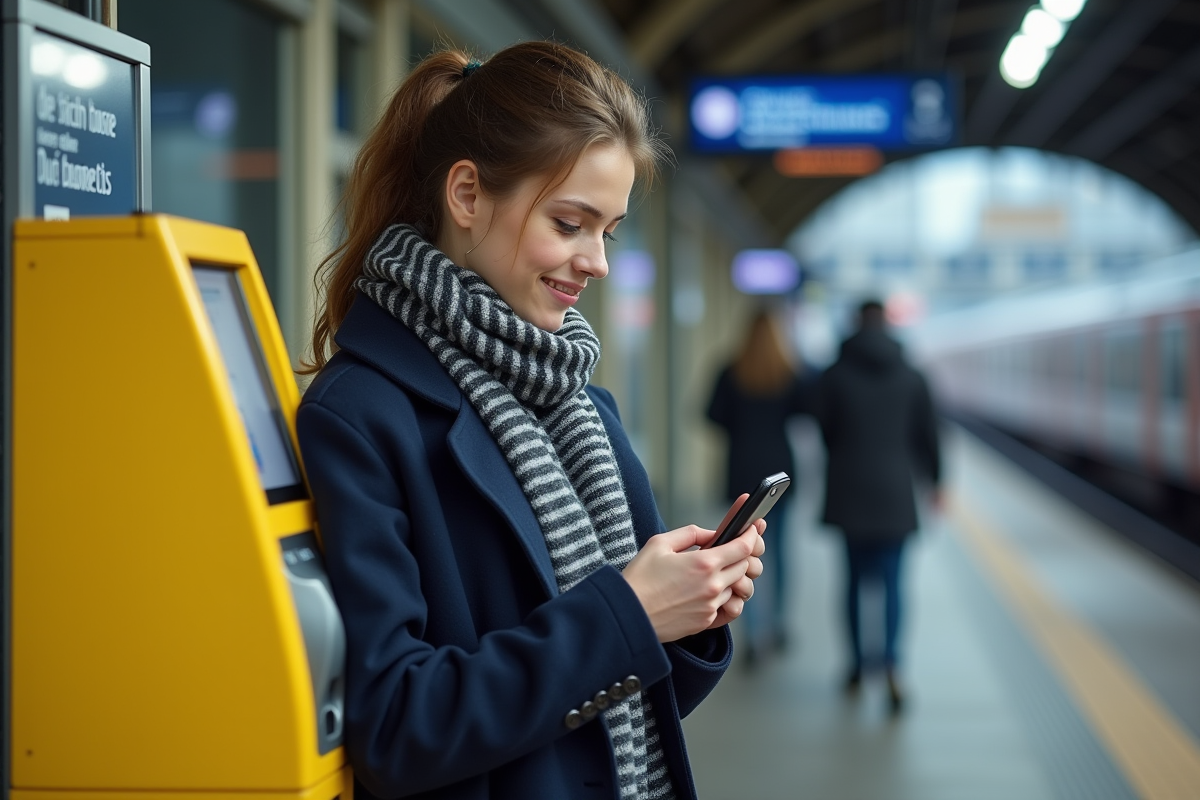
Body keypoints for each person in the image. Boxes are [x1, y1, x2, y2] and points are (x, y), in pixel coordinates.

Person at [295, 42, 767, 800]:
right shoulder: (361, 418)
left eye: (607, 232)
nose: (597, 263)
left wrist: (691, 611)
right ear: (468, 195)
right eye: (570, 223)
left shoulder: (585, 406)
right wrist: (631, 612)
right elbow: (396, 726)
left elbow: (625, 709)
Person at [813, 299, 941, 715]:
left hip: (849, 487)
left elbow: (824, 429)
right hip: (895, 492)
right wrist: (937, 482)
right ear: (886, 323)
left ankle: (854, 665)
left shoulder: (835, 374)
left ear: (854, 322)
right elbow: (928, 434)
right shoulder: (911, 375)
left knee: (851, 582)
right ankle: (891, 665)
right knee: (893, 584)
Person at [706, 310, 812, 666]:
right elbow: (808, 411)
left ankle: (751, 634)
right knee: (780, 551)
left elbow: (711, 415)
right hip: (779, 471)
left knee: (742, 553)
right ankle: (778, 625)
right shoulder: (789, 371)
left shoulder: (731, 370)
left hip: (742, 470)